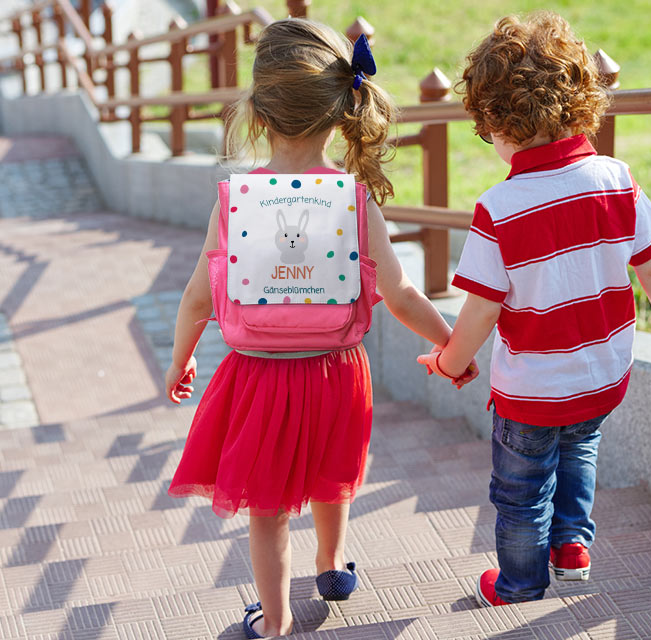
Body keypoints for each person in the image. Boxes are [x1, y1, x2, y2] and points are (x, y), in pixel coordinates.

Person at [164, 19, 475, 638]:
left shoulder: (236, 199)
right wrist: (451, 345)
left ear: (256, 114)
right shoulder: (353, 199)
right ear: (341, 111)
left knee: (268, 507)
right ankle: (332, 565)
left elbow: (199, 297)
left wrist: (182, 358)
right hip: (337, 372)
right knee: (336, 471)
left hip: (257, 375)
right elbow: (402, 294)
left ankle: (275, 621)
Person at [418, 11, 651, 606]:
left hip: (532, 390)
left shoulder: (500, 208)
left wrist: (449, 361)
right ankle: (571, 547)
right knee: (579, 452)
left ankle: (520, 584)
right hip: (602, 374)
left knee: (520, 491)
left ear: (497, 120)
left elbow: (481, 312)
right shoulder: (614, 179)